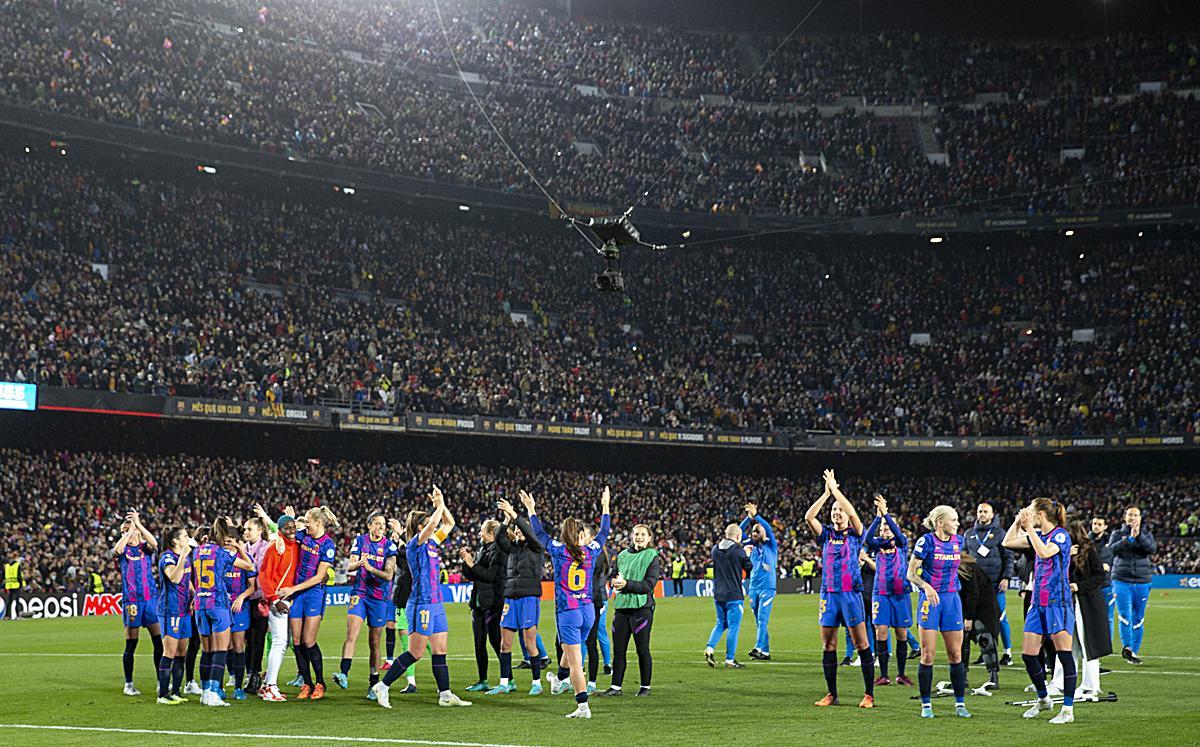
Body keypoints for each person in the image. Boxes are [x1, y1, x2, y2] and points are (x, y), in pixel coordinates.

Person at [371, 485, 472, 708]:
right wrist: (439, 505)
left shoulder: (433, 542)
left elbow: (449, 524)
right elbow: (436, 523)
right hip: (421, 604)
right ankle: (383, 686)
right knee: (415, 652)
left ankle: (445, 695)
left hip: (436, 603)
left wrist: (442, 502)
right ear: (419, 527)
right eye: (427, 524)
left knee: (440, 650)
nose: (431, 527)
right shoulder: (415, 544)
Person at [527, 486, 611, 719]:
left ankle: (582, 705)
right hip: (588, 611)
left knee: (576, 662)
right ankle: (559, 679)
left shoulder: (558, 550)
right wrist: (605, 506)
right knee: (570, 650)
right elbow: (604, 531)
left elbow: (539, 534)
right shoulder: (592, 550)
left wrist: (531, 510)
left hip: (568, 611)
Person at [1003, 498, 1076, 725]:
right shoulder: (1039, 536)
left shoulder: (1060, 535)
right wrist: (1017, 522)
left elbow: (1044, 553)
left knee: (1063, 654)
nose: (1028, 514)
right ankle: (1044, 698)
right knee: (1028, 654)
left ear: (1041, 515)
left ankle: (1068, 709)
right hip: (1038, 602)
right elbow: (1007, 542)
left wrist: (1028, 529)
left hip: (1058, 603)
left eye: (1031, 511)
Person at [805, 469, 875, 709]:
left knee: (861, 644)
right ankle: (832, 694)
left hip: (851, 594)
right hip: (829, 594)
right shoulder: (825, 535)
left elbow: (853, 512)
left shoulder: (856, 534)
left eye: (839, 510)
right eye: (834, 510)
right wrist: (826, 495)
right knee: (829, 645)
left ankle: (868, 695)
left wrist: (837, 491)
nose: (836, 513)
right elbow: (809, 517)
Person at [908, 504, 971, 718]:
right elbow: (911, 574)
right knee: (928, 654)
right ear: (940, 522)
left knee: (955, 654)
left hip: (952, 600)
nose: (957, 523)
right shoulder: (925, 542)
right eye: (953, 520)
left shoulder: (958, 541)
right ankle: (926, 705)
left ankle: (960, 704)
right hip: (930, 600)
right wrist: (926, 586)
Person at [192, 516, 256, 707]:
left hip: (199, 604)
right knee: (220, 650)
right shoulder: (222, 553)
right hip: (218, 603)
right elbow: (249, 566)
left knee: (206, 651)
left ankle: (205, 692)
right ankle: (213, 694)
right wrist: (240, 549)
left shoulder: (197, 551)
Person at [488, 498, 547, 695]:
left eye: (523, 530)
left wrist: (515, 515)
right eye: (518, 530)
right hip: (510, 598)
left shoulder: (536, 548)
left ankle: (537, 682)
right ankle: (505, 683)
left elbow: (530, 533)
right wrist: (506, 521)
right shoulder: (513, 548)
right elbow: (498, 539)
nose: (520, 532)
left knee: (529, 642)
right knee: (505, 643)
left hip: (529, 598)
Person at [336, 511, 398, 696]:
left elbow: (389, 575)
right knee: (351, 633)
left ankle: (373, 683)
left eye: (383, 525)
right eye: (377, 524)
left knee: (374, 641)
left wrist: (371, 568)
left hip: (379, 598)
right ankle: (343, 673)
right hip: (360, 593)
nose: (380, 528)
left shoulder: (389, 546)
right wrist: (360, 564)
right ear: (369, 525)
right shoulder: (360, 541)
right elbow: (350, 566)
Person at [280, 505, 338, 700]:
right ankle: (307, 683)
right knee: (296, 641)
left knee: (308, 640)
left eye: (308, 522)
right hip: (297, 594)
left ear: (319, 523)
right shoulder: (303, 535)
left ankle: (320, 683)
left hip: (313, 593)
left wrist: (293, 589)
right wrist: (289, 519)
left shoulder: (328, 545)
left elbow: (319, 576)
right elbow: (282, 532)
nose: (305, 525)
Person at [1048, 522, 1111, 701]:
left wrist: (1079, 586)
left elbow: (1099, 576)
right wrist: (1066, 556)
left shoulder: (1089, 550)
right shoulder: (1062, 551)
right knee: (1065, 643)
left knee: (1087, 644)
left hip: (1086, 604)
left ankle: (1090, 687)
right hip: (1066, 604)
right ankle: (1059, 683)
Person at [597, 523, 660, 697]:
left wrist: (627, 585)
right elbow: (614, 575)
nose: (639, 537)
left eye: (642, 534)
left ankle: (645, 687)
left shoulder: (652, 556)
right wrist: (615, 582)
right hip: (622, 608)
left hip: (642, 609)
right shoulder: (622, 555)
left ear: (649, 538)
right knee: (619, 650)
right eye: (636, 534)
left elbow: (649, 585)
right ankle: (616, 687)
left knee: (642, 649)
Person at [863, 495, 914, 687]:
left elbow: (898, 533)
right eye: (882, 529)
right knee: (881, 633)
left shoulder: (902, 544)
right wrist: (878, 518)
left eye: (887, 528)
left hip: (900, 594)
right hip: (881, 593)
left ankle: (901, 674)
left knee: (901, 634)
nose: (884, 531)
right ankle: (884, 675)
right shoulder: (877, 545)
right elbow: (867, 539)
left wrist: (886, 515)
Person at [112, 510, 162, 696]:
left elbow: (155, 543)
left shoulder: (144, 549)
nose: (128, 532)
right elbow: (117, 549)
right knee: (131, 644)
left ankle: (160, 682)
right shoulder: (123, 550)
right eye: (124, 531)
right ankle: (129, 684)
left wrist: (138, 524)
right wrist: (127, 532)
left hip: (150, 600)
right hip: (131, 602)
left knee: (158, 643)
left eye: (129, 530)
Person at [965, 501, 1014, 665]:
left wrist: (1006, 577)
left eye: (986, 512)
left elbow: (1008, 557)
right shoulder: (969, 534)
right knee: (980, 621)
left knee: (1001, 618)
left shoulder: (1001, 533)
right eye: (980, 511)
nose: (982, 514)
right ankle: (985, 652)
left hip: (995, 583)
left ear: (992, 515)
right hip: (976, 586)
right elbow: (964, 559)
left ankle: (1007, 653)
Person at [460, 518, 505, 693]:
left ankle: (507, 680)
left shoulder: (499, 553)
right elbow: (473, 575)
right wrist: (466, 562)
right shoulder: (481, 550)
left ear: (491, 534)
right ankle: (483, 680)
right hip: (478, 604)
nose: (479, 534)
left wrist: (472, 563)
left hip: (493, 603)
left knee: (497, 642)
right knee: (479, 643)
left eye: (482, 531)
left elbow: (490, 575)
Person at [257, 512, 298, 702]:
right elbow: (264, 576)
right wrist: (274, 599)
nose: (291, 531)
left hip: (285, 599)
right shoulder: (275, 548)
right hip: (277, 601)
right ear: (280, 530)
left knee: (281, 642)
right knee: (280, 641)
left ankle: (267, 685)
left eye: (293, 527)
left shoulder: (293, 545)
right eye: (287, 528)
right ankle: (270, 686)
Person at [1109, 505, 1156, 664]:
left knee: (1138, 617)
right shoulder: (1117, 534)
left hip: (1142, 581)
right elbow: (1112, 550)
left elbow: (1151, 549)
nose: (1132, 518)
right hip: (1121, 580)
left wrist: (1139, 536)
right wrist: (1128, 539)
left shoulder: (1147, 534)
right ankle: (1127, 648)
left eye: (1135, 515)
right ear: (1125, 517)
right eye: (1129, 515)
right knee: (1124, 616)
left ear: (1140, 518)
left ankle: (1134, 651)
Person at [703, 523, 752, 669]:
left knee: (720, 623)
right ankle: (730, 659)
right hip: (734, 594)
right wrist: (747, 554)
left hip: (718, 594)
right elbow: (749, 568)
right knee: (733, 627)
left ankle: (710, 648)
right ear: (738, 536)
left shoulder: (715, 550)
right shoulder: (738, 551)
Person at [380, 517, 418, 694]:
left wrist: (400, 536)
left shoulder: (414, 548)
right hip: (403, 600)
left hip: (413, 599)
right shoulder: (400, 549)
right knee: (410, 642)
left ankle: (441, 683)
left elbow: (409, 554)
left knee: (418, 644)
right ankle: (412, 682)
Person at [155, 527, 194, 705]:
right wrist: (184, 556)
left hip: (185, 609)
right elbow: (175, 578)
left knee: (181, 651)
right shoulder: (168, 557)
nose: (188, 538)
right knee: (169, 651)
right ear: (176, 541)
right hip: (170, 610)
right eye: (185, 536)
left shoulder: (184, 558)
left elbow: (187, 581)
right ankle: (163, 694)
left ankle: (176, 691)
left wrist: (195, 596)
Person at [739, 503, 778, 661]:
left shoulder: (771, 545)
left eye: (758, 530)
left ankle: (758, 647)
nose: (755, 532)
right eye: (753, 531)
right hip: (754, 587)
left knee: (762, 619)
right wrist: (749, 519)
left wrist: (757, 517)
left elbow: (767, 528)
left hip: (768, 588)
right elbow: (738, 532)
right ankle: (765, 652)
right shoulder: (751, 546)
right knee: (758, 620)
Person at [957, 554, 1001, 690]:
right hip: (969, 608)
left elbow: (972, 594)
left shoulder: (967, 569)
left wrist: (968, 617)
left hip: (984, 610)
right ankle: (962, 676)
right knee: (962, 641)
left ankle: (993, 677)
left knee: (985, 641)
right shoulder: (965, 567)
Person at [225, 523, 259, 700]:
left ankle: (239, 687)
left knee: (238, 645)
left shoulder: (244, 562)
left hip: (240, 607)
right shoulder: (221, 557)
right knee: (224, 646)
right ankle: (227, 678)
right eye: (225, 543)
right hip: (222, 607)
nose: (227, 547)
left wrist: (241, 597)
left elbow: (253, 587)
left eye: (230, 543)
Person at [241, 515, 271, 695]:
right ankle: (249, 673)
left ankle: (255, 674)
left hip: (260, 598)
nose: (245, 532)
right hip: (245, 598)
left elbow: (261, 570)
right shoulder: (243, 547)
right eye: (244, 529)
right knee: (247, 639)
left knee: (258, 638)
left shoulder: (266, 548)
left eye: (249, 529)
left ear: (260, 530)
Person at [1088, 516, 1116, 644]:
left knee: (1107, 616)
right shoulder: (1086, 541)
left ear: (1105, 527)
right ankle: (1092, 642)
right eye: (1094, 523)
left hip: (1106, 584)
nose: (1096, 526)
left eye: (1099, 524)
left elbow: (1112, 562)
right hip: (1090, 584)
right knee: (1091, 616)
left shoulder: (1112, 542)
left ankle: (1106, 642)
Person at [3, 554, 23, 621]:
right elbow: (19, 576)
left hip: (9, 585)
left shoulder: (7, 566)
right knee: (17, 601)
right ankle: (18, 616)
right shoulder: (17, 565)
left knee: (10, 601)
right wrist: (21, 584)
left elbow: (4, 576)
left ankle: (7, 616)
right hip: (16, 585)